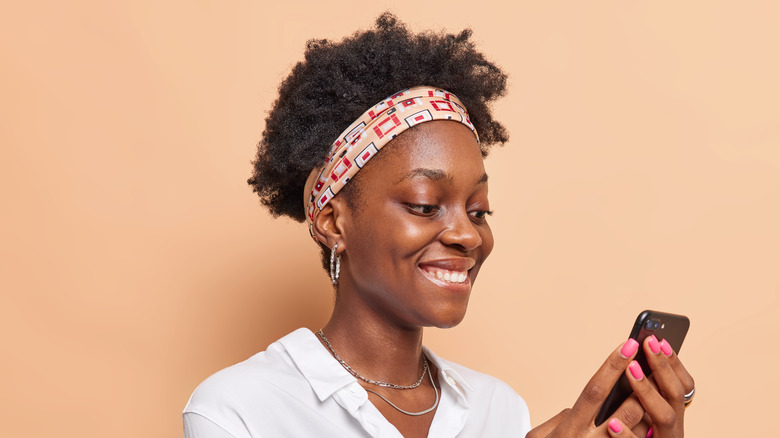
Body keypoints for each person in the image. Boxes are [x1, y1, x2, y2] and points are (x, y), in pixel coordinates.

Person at [183, 13, 695, 438]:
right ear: (333, 221)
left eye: (479, 211)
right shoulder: (238, 410)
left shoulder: (499, 409)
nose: (469, 236)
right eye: (427, 205)